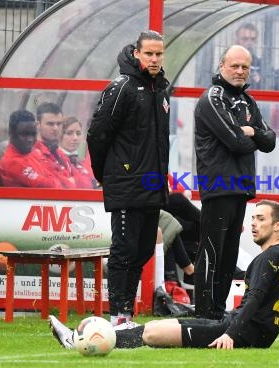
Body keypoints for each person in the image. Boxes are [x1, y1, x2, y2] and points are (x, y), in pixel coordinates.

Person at [49, 200, 279, 349]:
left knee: (152, 333)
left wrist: (230, 335)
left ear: (278, 226)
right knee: (157, 325)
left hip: (239, 333)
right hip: (239, 329)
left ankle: (79, 341)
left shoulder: (269, 259)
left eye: (260, 219)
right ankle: (79, 336)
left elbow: (255, 299)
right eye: (253, 218)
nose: (254, 224)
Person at [86, 30, 170, 327]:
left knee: (144, 249)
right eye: (149, 53)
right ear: (136, 53)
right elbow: (97, 134)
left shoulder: (161, 89)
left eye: (159, 54)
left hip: (151, 185)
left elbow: (159, 142)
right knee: (123, 250)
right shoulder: (121, 87)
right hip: (125, 184)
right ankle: (117, 317)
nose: (154, 59)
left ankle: (126, 315)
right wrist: (105, 175)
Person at [194, 44, 276, 320]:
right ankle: (205, 312)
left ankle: (218, 311)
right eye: (235, 66)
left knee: (229, 255)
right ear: (222, 66)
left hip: (240, 187)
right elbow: (236, 142)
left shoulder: (248, 100)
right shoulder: (213, 97)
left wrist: (252, 130)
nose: (240, 71)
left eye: (245, 67)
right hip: (218, 186)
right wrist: (252, 136)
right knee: (212, 251)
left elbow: (270, 140)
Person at [0, 110, 65, 188]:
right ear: (10, 133)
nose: (30, 139)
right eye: (24, 134)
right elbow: (49, 186)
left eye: (33, 134)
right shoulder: (12, 162)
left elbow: (55, 179)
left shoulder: (31, 154)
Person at [32, 102, 76, 188]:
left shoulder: (59, 153)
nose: (55, 128)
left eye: (59, 124)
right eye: (50, 124)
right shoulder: (33, 154)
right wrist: (70, 182)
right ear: (38, 125)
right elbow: (53, 185)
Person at [59, 116, 96, 189]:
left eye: (78, 133)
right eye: (69, 133)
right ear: (60, 135)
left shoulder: (82, 163)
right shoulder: (55, 160)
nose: (75, 138)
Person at [235, 22, 263, 89]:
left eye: (253, 39)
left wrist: (260, 81)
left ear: (256, 41)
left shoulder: (260, 64)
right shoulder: (228, 61)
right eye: (245, 39)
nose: (249, 43)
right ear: (237, 41)